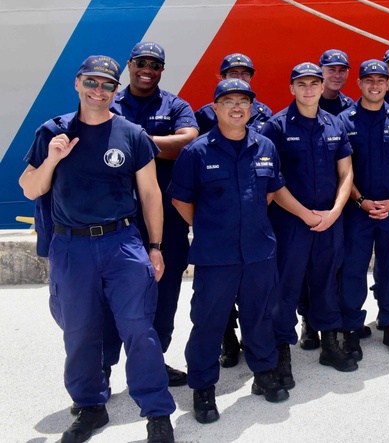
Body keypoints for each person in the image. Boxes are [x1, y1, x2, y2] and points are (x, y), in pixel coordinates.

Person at [20, 55, 176, 443]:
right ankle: (91, 406)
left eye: (107, 85)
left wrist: (154, 246)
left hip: (122, 243)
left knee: (139, 328)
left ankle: (156, 411)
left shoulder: (131, 135)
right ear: (77, 83)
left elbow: (151, 194)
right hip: (71, 247)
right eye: (91, 82)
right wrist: (53, 159)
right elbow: (30, 188)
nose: (98, 90)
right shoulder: (52, 132)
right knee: (79, 331)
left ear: (115, 91)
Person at [171, 78, 305, 423]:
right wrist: (210, 227)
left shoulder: (265, 147)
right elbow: (181, 200)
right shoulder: (196, 152)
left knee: (260, 317)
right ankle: (203, 388)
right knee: (208, 322)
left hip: (260, 251)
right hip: (216, 256)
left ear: (251, 109)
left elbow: (272, 190)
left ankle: (263, 375)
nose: (236, 107)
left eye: (243, 102)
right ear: (215, 108)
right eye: (228, 101)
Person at [259, 63, 357, 382]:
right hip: (290, 222)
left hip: (330, 220)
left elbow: (346, 173)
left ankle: (329, 343)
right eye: (302, 84)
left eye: (314, 83)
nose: (309, 89)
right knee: (285, 286)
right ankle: (282, 354)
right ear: (292, 88)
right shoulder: (275, 127)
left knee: (326, 280)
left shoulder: (335, 124)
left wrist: (335, 211)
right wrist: (304, 213)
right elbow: (272, 180)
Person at [109, 42, 198, 388]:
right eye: (142, 63)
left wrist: (134, 140)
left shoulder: (175, 105)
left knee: (165, 294)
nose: (148, 69)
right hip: (119, 219)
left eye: (156, 64)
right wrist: (163, 144)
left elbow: (188, 141)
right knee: (112, 295)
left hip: (168, 221)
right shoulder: (110, 103)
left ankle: (154, 361)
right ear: (130, 65)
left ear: (162, 70)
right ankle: (103, 367)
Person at [193, 52, 274, 367]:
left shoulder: (265, 114)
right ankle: (228, 340)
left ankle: (259, 351)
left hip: (254, 216)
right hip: (217, 215)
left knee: (255, 289)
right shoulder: (203, 115)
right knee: (217, 290)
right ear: (220, 77)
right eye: (231, 73)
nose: (238, 77)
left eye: (244, 72)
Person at [339, 60, 389, 358]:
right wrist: (360, 200)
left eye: (381, 81)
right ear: (358, 83)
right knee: (353, 271)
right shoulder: (344, 121)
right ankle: (350, 330)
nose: (375, 86)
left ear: (388, 84)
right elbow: (343, 170)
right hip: (356, 210)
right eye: (369, 80)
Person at [195, 53, 273, 134]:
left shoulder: (264, 113)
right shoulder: (205, 114)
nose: (240, 78)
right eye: (233, 73)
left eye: (245, 73)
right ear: (223, 77)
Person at [318, 48, 356, 116]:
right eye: (332, 70)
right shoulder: (310, 104)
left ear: (347, 74)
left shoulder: (349, 105)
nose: (337, 76)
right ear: (321, 72)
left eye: (342, 71)